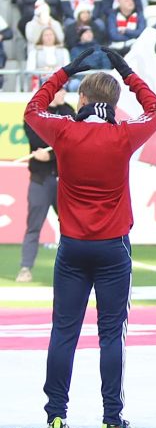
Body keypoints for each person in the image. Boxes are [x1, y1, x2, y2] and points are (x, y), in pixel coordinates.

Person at [25, 46, 156, 428]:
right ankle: (111, 420)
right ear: (115, 102)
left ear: (82, 99)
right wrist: (128, 72)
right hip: (113, 247)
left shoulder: (65, 130)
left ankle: (55, 418)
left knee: (63, 332)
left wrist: (65, 71)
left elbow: (33, 109)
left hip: (72, 246)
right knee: (111, 334)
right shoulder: (123, 135)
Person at [16, 88, 72, 283]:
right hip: (40, 179)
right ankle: (25, 268)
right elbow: (35, 139)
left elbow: (71, 142)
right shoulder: (37, 112)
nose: (65, 93)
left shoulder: (69, 112)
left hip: (64, 181)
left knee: (71, 225)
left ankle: (75, 269)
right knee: (34, 226)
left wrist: (52, 155)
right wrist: (51, 148)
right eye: (62, 90)